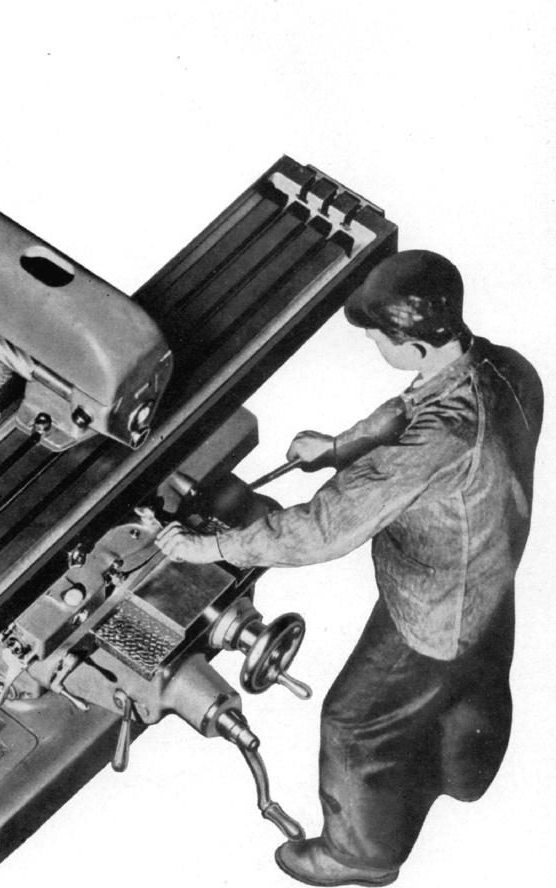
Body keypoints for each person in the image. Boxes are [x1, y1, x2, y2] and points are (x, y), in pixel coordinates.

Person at [156, 250, 543, 886]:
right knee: (475, 679)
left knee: (354, 723)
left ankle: (358, 855)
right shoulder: (507, 367)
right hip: (489, 577)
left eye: (377, 338)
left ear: (416, 346)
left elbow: (324, 527)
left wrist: (213, 548)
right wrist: (339, 448)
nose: (371, 344)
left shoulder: (440, 439)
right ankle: (465, 775)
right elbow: (411, 413)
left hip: (432, 606)